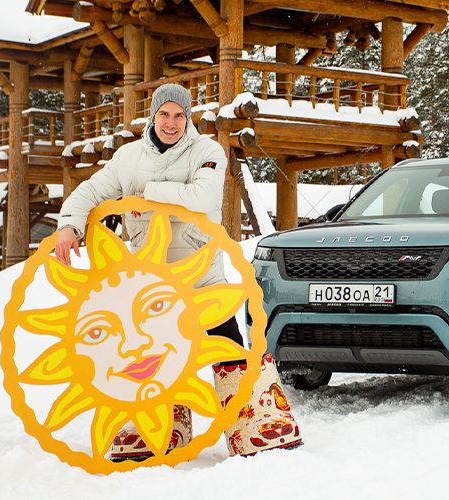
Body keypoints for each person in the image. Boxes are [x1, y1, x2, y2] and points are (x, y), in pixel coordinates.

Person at [52, 83, 303, 460]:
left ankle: (258, 424)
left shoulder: (208, 151)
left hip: (200, 273)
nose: (171, 123)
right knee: (152, 354)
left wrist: (142, 196)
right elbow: (90, 192)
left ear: (188, 119)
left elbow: (202, 199)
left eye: (179, 116)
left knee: (228, 346)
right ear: (152, 117)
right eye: (164, 114)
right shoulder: (127, 157)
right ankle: (159, 430)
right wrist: (69, 225)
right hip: (151, 283)